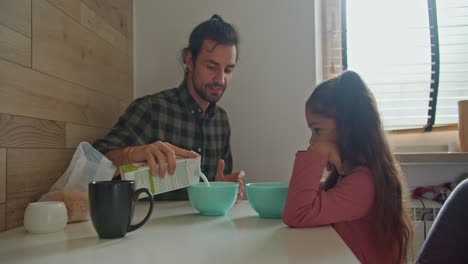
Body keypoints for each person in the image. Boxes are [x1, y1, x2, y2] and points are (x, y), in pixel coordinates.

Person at [93, 14, 244, 200]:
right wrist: (131, 154)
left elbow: (219, 181)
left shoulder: (221, 120)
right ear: (189, 60)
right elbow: (94, 163)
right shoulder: (151, 109)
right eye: (212, 67)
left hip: (205, 227)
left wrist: (225, 188)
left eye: (228, 70)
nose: (221, 79)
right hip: (148, 225)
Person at [282, 71, 413, 264]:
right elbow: (307, 206)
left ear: (348, 127)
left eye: (317, 130)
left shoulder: (364, 183)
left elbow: (297, 214)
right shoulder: (354, 175)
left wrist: (314, 155)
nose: (312, 140)